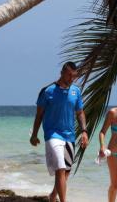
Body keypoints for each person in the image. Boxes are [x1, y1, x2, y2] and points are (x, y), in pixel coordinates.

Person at [30, 61, 89, 202]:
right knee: (61, 169)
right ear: (62, 73)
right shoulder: (47, 91)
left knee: (66, 172)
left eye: (74, 76)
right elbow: (39, 114)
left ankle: (52, 196)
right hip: (52, 135)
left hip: (69, 136)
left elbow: (80, 112)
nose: (71, 78)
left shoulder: (76, 91)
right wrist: (34, 134)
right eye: (69, 75)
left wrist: (84, 131)